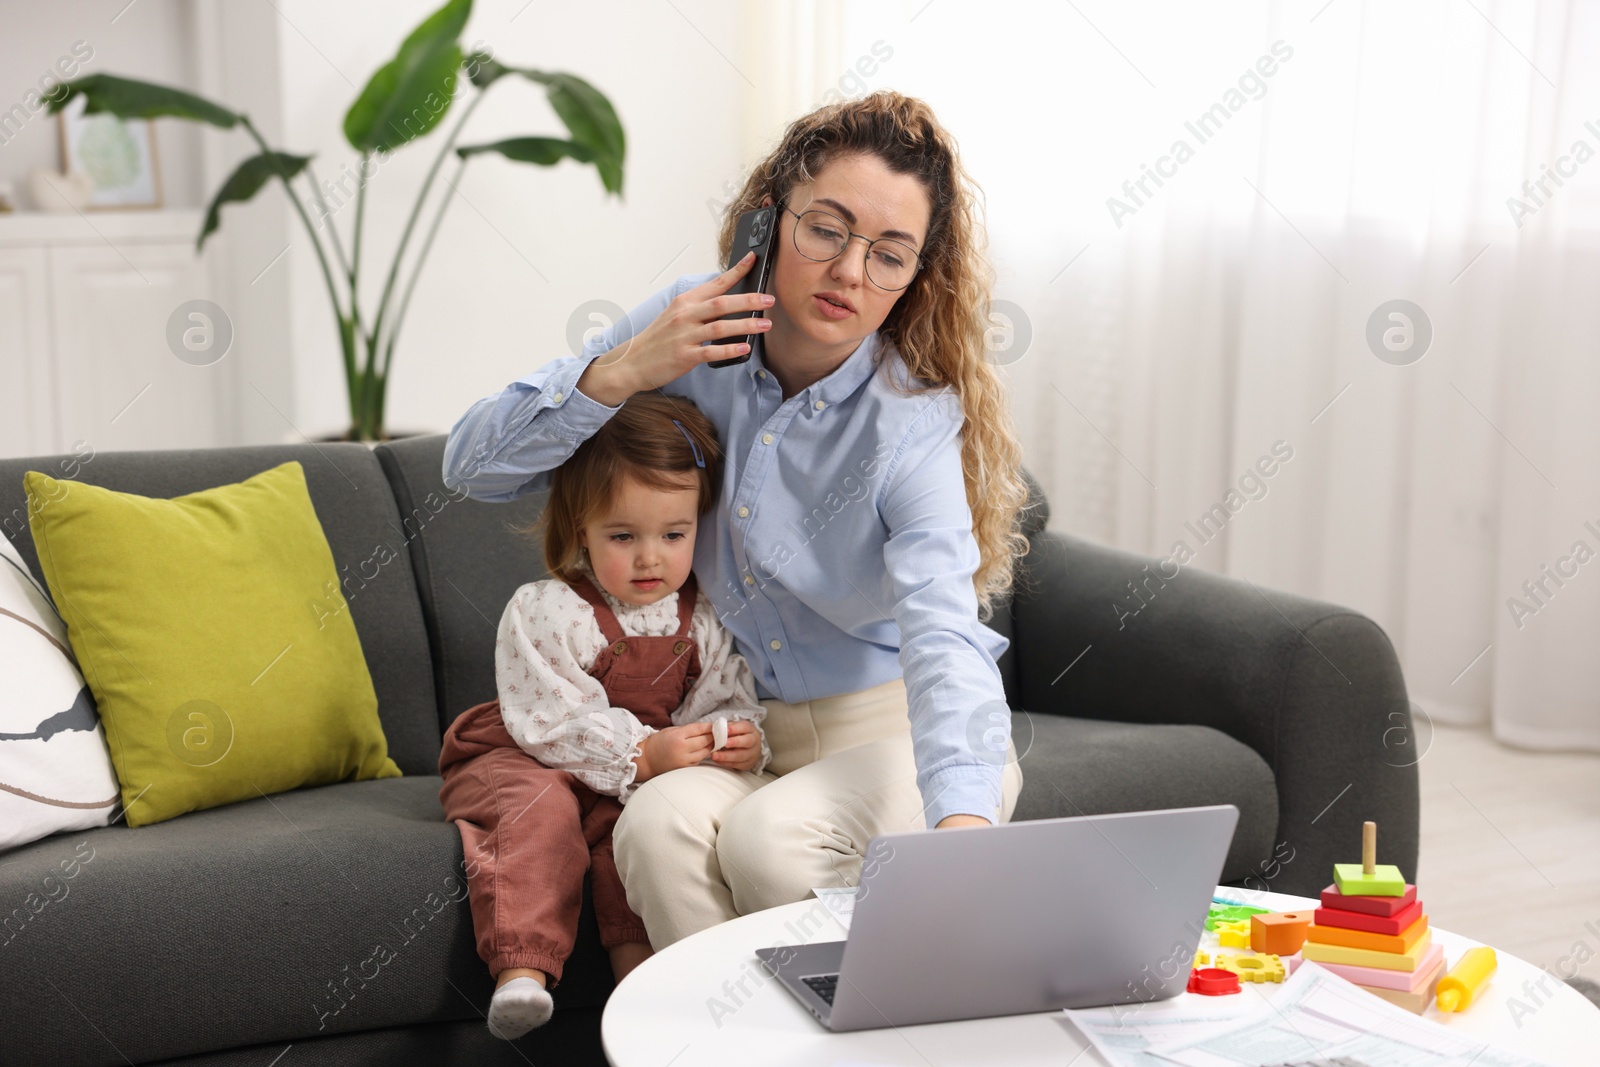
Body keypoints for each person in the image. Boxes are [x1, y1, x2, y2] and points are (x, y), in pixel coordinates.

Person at [443, 90, 1032, 951]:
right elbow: (470, 469)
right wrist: (621, 369)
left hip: (891, 729)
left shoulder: (910, 421)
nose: (849, 272)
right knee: (651, 826)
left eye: (889, 255)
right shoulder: (690, 328)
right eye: (826, 229)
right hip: (753, 734)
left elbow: (946, 639)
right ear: (768, 219)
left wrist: (965, 828)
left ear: (916, 279)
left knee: (768, 841)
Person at [436, 392, 770, 1040]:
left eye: (673, 534)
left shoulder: (704, 615)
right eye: (623, 536)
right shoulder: (547, 609)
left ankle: (642, 993)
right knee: (537, 816)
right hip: (529, 754)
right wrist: (644, 755)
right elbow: (551, 720)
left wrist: (731, 738)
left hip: (631, 775)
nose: (651, 557)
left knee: (637, 839)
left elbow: (723, 696)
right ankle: (522, 972)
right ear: (579, 529)